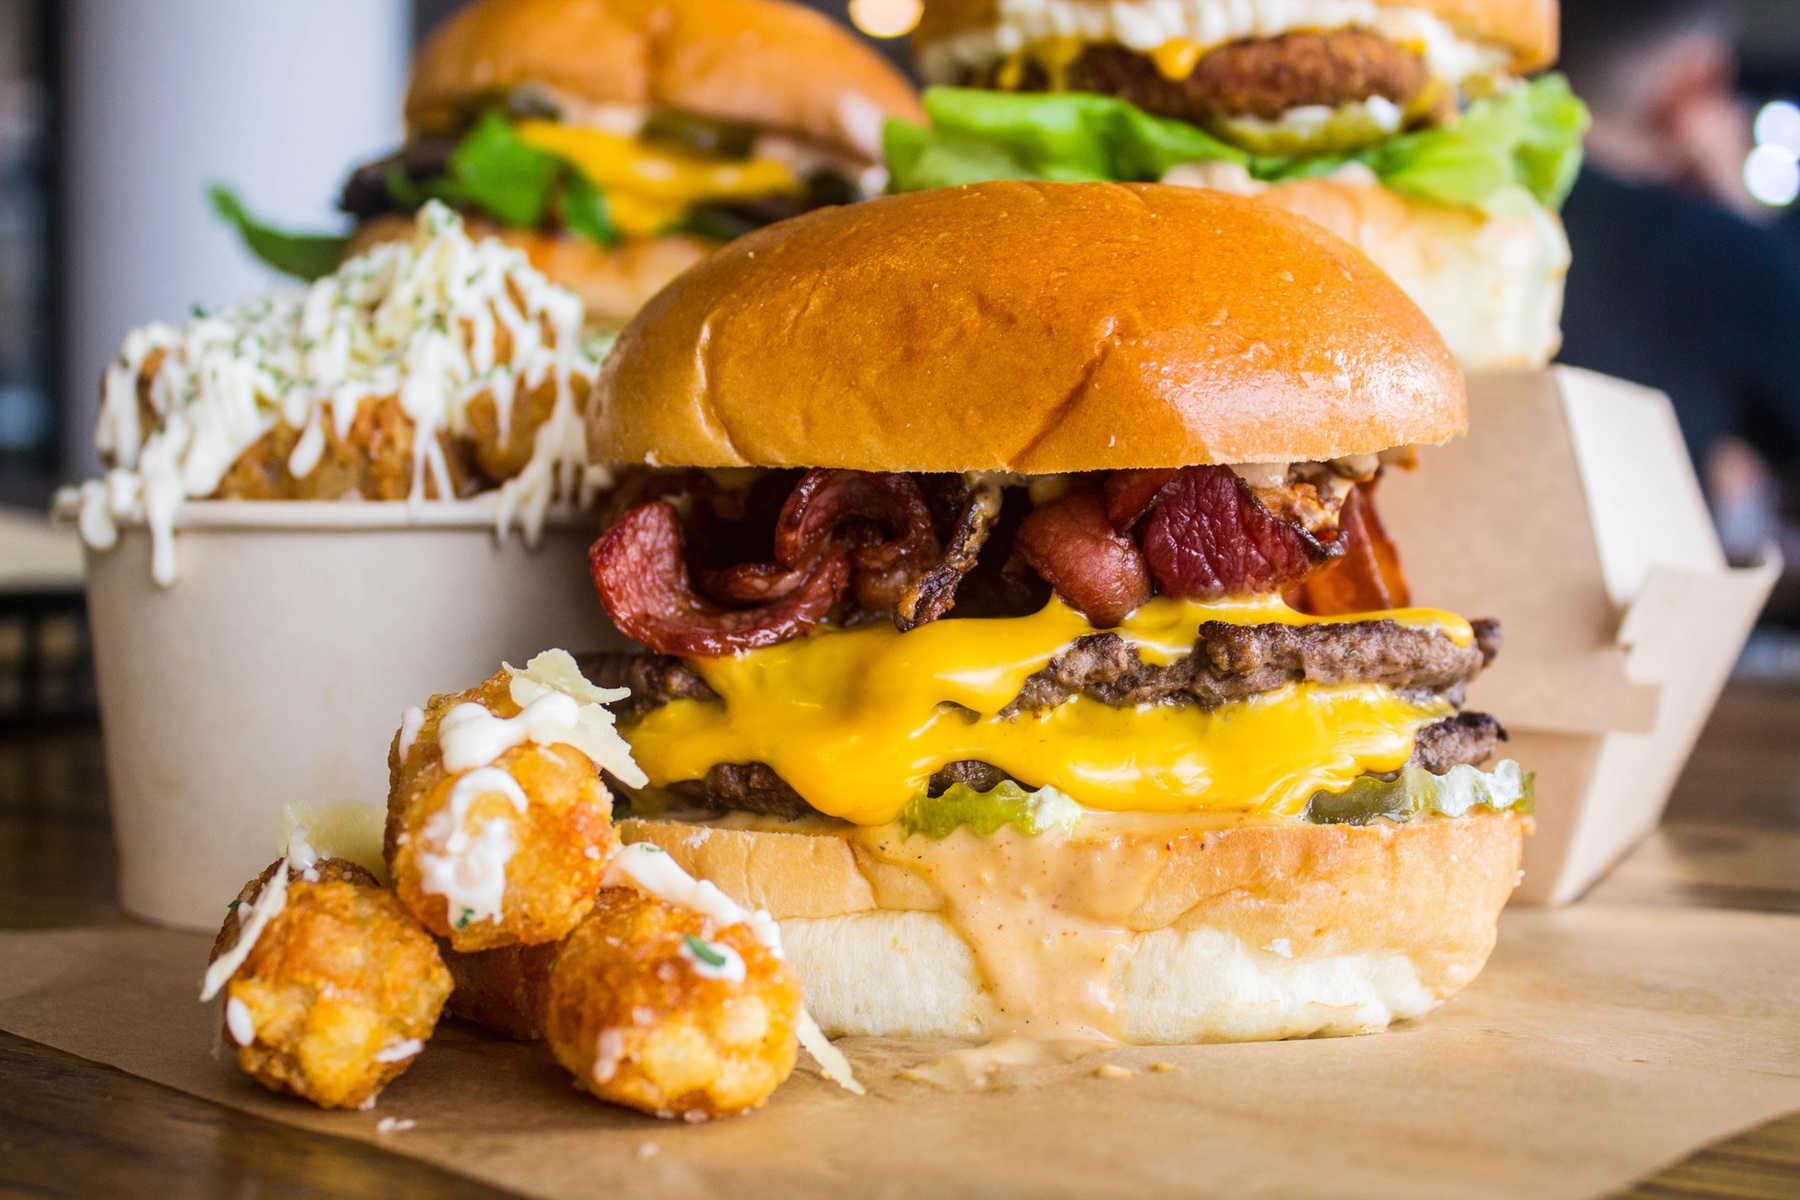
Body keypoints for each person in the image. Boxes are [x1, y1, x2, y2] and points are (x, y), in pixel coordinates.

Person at [1559, 0, 1800, 563]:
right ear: (1696, 82)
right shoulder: (1725, 254)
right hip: (1640, 625)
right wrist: (1742, 212)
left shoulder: (1461, 212)